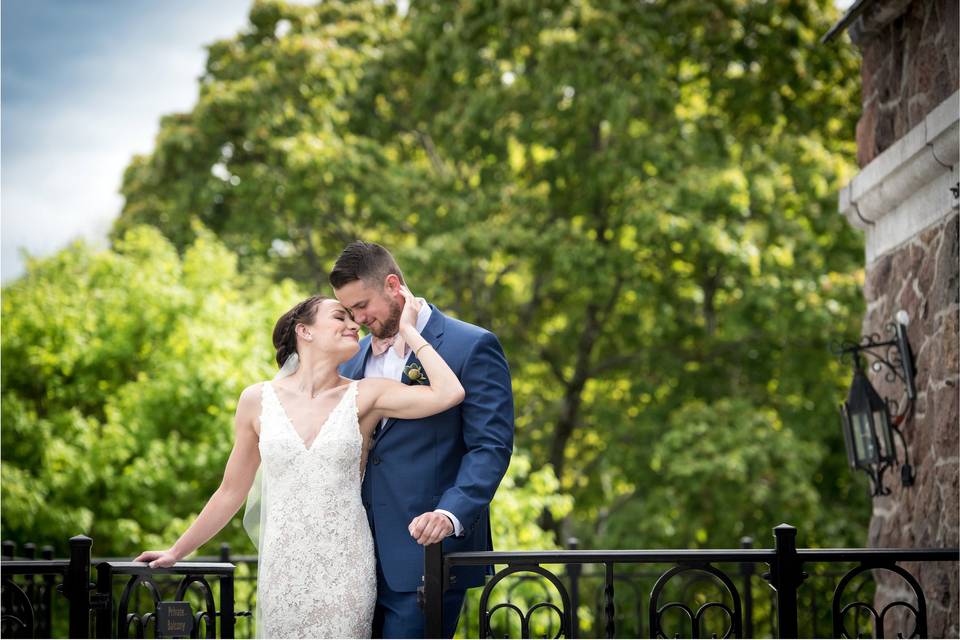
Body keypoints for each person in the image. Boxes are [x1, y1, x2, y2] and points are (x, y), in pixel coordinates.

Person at [134, 286, 465, 639]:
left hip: (346, 568)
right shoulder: (256, 400)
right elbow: (231, 491)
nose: (354, 325)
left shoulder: (367, 393)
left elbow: (450, 393)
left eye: (354, 319)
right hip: (283, 568)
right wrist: (177, 550)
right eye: (340, 317)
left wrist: (410, 332)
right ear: (304, 331)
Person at [330, 241, 514, 639]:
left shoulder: (472, 346)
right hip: (353, 559)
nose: (358, 319)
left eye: (363, 306)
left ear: (393, 285)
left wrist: (450, 514)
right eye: (349, 311)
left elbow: (490, 447)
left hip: (427, 555)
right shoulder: (350, 357)